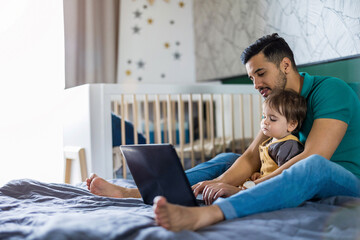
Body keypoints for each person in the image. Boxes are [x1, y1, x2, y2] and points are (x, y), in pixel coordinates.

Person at [86, 33, 360, 232]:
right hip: (299, 174)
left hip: (345, 181)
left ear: (285, 65)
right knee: (229, 156)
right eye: (252, 78)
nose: (256, 85)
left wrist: (245, 188)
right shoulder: (278, 104)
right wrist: (219, 184)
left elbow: (316, 157)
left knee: (313, 165)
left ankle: (208, 215)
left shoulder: (330, 90)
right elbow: (252, 156)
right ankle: (136, 193)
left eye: (261, 74)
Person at [249, 89, 306, 182]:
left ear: (291, 125)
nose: (265, 121)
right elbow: (271, 170)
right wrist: (261, 174)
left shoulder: (288, 145)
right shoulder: (271, 141)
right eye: (264, 116)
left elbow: (286, 176)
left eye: (272, 119)